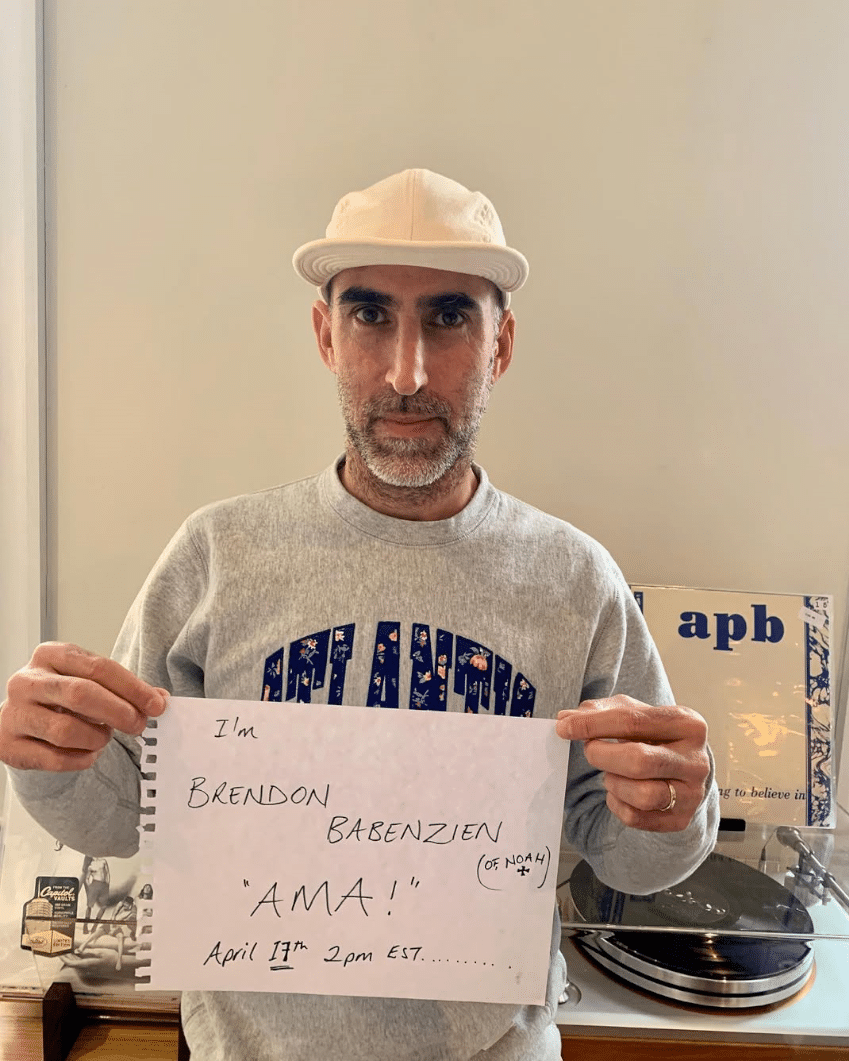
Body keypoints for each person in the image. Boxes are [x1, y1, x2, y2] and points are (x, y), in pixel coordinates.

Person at [1, 168, 718, 1061]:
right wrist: (49, 759)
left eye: (450, 317)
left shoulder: (574, 579)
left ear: (499, 346)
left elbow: (627, 858)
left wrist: (672, 810)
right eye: (370, 314)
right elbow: (118, 817)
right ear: (325, 335)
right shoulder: (218, 556)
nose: (406, 371)